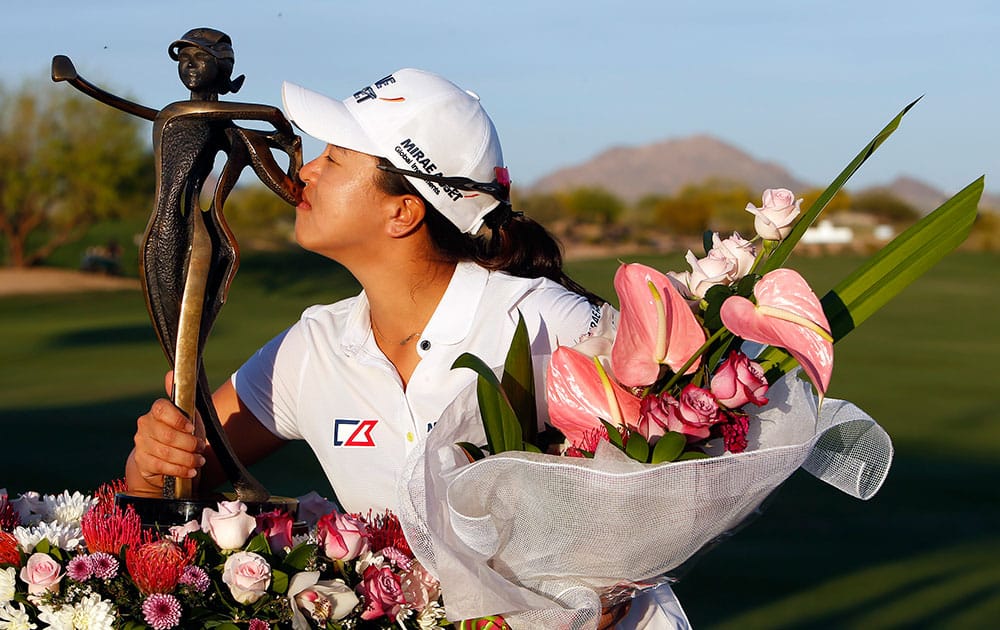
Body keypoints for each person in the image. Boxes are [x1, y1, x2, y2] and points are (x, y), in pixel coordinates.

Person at [125, 68, 688, 629]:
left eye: (336, 158)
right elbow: (175, 480)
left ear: (404, 211)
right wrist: (156, 463)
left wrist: (597, 588)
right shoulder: (312, 346)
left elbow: (689, 450)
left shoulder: (543, 318)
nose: (308, 170)